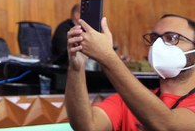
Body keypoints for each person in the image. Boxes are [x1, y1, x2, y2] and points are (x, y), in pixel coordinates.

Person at [65, 13, 195, 130]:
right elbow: (87, 126)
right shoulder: (129, 100)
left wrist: (107, 56)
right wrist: (76, 67)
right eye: (154, 38)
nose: (158, 45)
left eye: (172, 38)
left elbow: (166, 125)